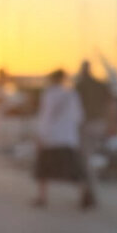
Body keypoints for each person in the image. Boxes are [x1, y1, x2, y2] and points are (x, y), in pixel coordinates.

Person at [32, 68, 93, 209]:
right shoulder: (72, 95)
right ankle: (84, 195)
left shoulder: (49, 94)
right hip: (68, 138)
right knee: (74, 171)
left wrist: (40, 136)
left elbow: (45, 117)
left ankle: (42, 197)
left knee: (43, 170)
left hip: (50, 138)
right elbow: (79, 117)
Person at [75, 60, 114, 206]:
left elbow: (74, 108)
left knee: (84, 161)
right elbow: (111, 105)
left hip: (85, 125)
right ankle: (89, 192)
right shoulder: (100, 85)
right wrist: (111, 124)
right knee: (92, 159)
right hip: (100, 125)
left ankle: (88, 193)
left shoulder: (80, 86)